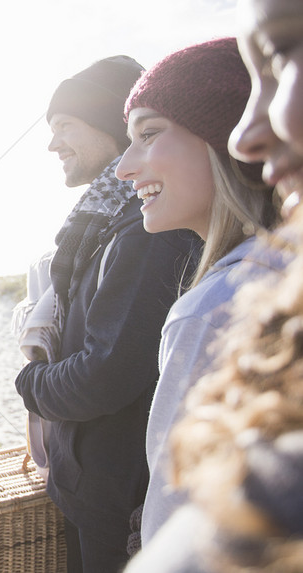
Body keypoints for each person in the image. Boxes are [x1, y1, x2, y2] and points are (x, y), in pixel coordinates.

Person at [124, 3, 303, 570]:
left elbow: (176, 520)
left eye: (149, 133)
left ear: (219, 138)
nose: (125, 165)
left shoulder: (214, 307)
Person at [14, 56, 200, 573]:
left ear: (106, 126)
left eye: (64, 127)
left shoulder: (145, 233)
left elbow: (106, 374)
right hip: (91, 490)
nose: (53, 145)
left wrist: (30, 381)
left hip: (120, 507)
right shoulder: (102, 223)